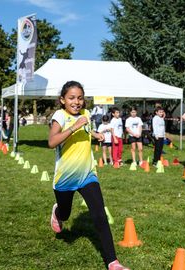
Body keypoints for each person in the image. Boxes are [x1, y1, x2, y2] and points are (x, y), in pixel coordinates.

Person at [48, 81, 130, 270]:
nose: (76, 102)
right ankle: (57, 211)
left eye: (79, 98)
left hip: (87, 174)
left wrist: (94, 134)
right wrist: (74, 126)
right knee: (66, 214)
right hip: (65, 177)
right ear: (62, 100)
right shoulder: (60, 116)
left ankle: (113, 262)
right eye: (71, 98)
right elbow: (52, 142)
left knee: (100, 214)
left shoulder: (85, 114)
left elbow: (84, 129)